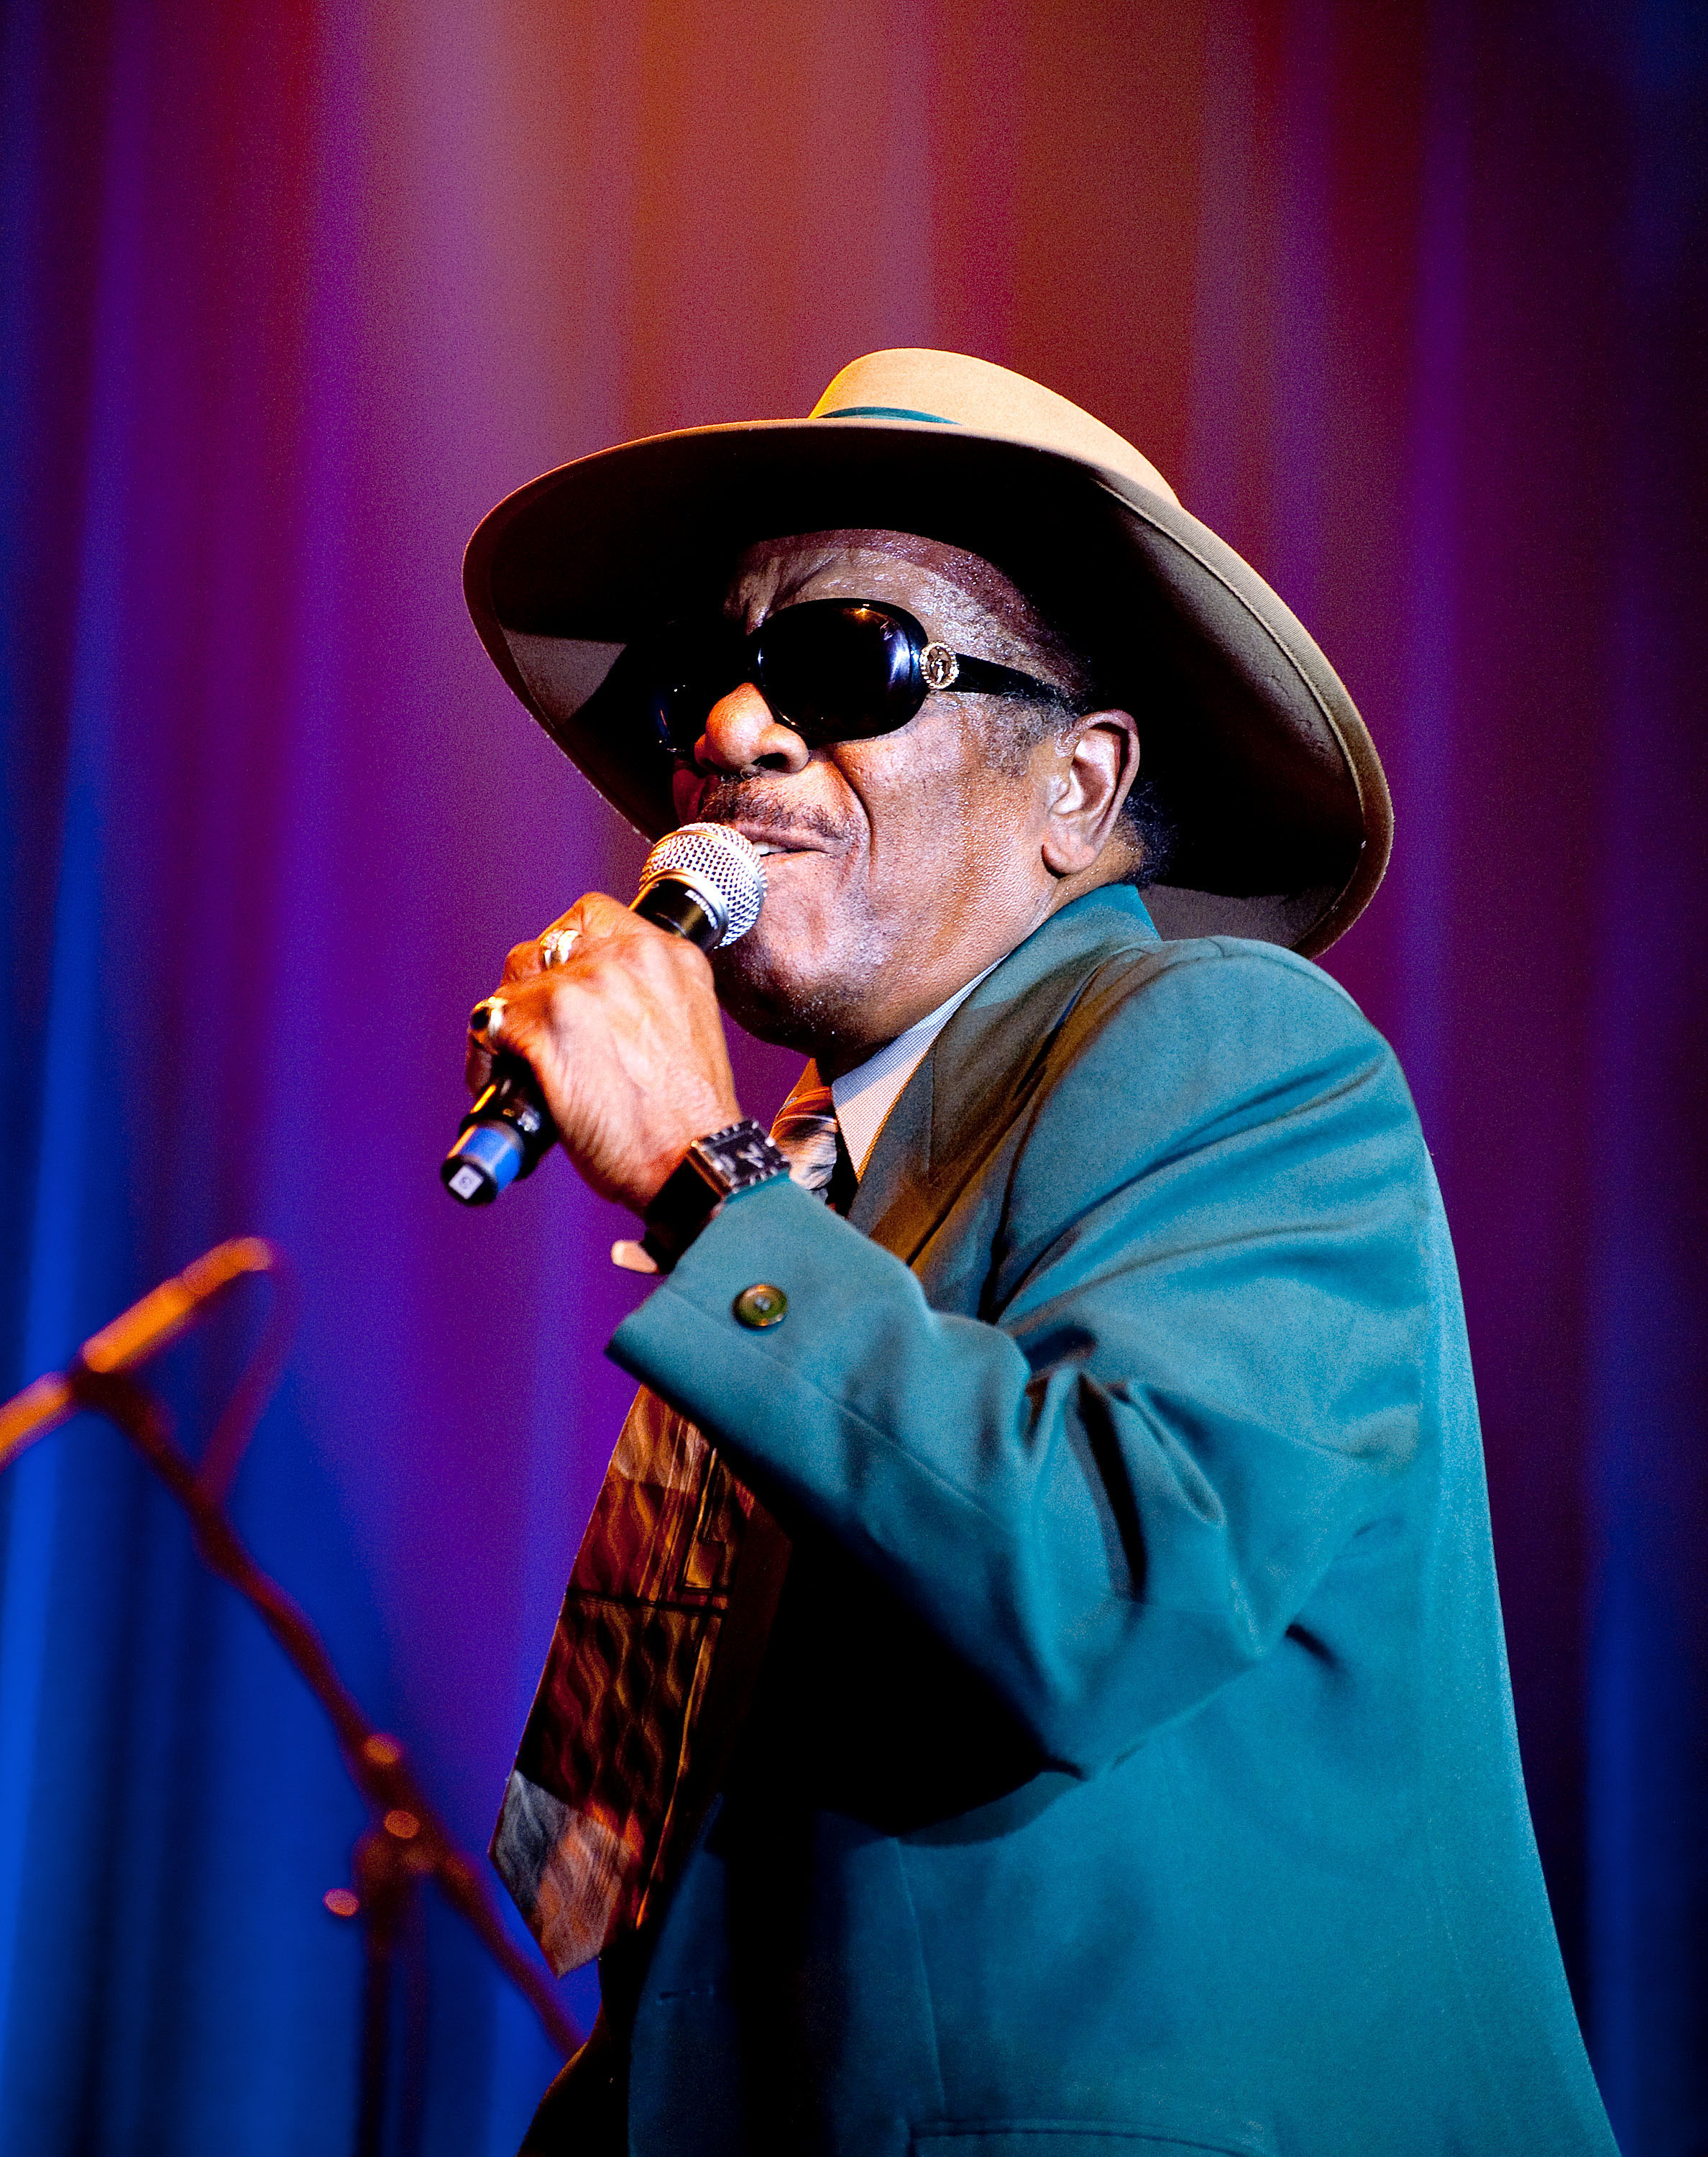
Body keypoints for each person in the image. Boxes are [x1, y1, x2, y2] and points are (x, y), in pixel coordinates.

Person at [456, 352, 1617, 2156]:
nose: (737, 731)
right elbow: (675, 1916)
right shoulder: (816, 1200)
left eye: (850, 660)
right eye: (711, 676)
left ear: (1080, 784)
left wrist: (701, 1185)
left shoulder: (1221, 1044)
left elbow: (1101, 1583)